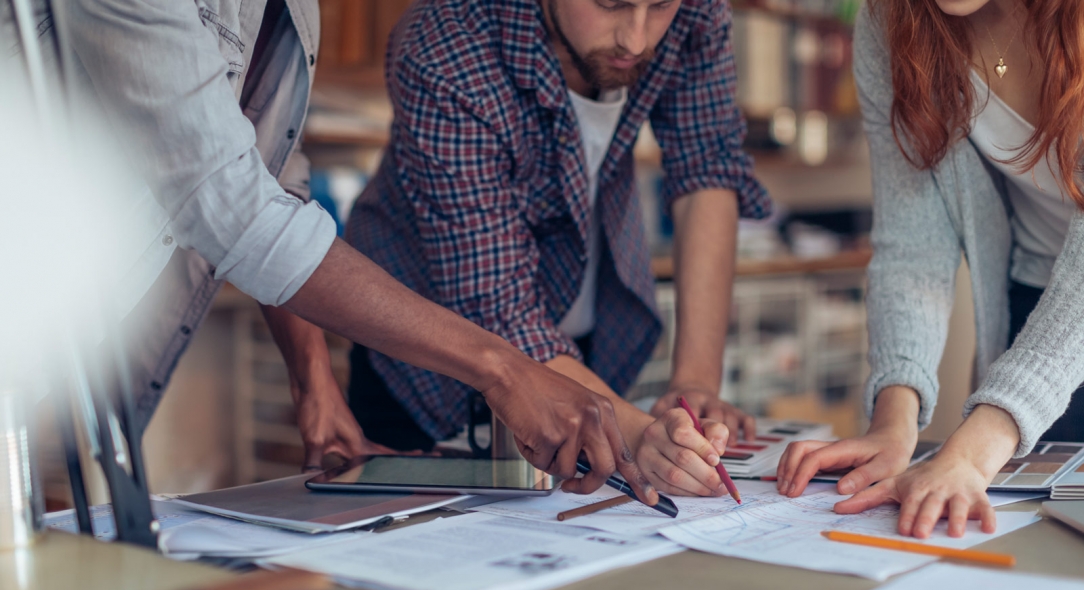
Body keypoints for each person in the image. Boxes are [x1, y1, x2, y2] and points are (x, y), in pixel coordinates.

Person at [3, 0, 669, 503]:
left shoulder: (295, 9)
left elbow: (272, 177)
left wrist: (312, 380)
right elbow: (229, 203)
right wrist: (503, 368)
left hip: (69, 356)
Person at [271, 0, 772, 497]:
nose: (636, 40)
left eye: (660, 7)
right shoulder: (448, 41)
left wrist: (695, 386)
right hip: (431, 376)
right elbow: (499, 308)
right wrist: (641, 435)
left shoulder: (696, 11)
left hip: (591, 362)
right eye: (609, 3)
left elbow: (705, 168)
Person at [775, 0, 1084, 538]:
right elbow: (912, 240)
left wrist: (977, 445)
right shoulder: (891, 23)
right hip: (1031, 308)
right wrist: (894, 421)